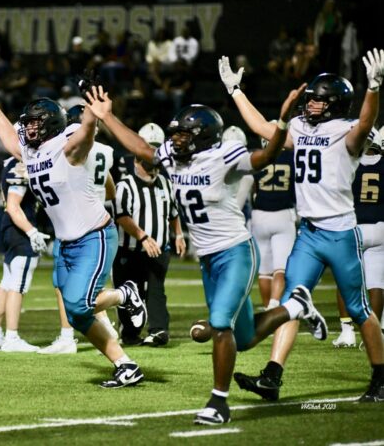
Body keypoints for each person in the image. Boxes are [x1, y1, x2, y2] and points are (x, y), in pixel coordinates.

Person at [85, 73, 325, 424]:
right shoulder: (173, 156)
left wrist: (284, 121)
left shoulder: (225, 155)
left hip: (235, 253)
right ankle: (296, 306)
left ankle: (218, 403)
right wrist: (107, 117)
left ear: (203, 137)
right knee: (242, 338)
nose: (176, 139)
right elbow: (142, 149)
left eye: (184, 134)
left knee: (219, 324)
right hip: (209, 260)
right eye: (176, 133)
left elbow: (268, 154)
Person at [218, 49, 384, 403]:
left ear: (336, 104)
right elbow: (263, 127)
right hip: (308, 233)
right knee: (294, 302)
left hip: (340, 232)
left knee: (359, 309)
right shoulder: (299, 128)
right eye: (310, 100)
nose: (310, 106)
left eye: (319, 102)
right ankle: (272, 376)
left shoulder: (348, 132)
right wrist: (236, 92)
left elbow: (367, 123)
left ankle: (381, 378)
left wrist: (373, 88)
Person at [0, 76, 148, 389]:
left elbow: (83, 138)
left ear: (52, 123)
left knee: (79, 304)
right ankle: (126, 365)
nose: (28, 129)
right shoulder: (32, 150)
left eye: (35, 123)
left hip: (94, 237)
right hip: (66, 244)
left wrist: (93, 117)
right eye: (27, 123)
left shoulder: (65, 145)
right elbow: (10, 141)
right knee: (77, 313)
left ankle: (126, 294)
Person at [38, 104, 118, 355]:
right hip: (94, 215)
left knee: (69, 288)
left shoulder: (68, 147)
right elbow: (111, 191)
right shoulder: (104, 149)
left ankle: (69, 336)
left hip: (77, 223)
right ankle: (105, 326)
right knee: (84, 287)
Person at [113, 122, 186, 347]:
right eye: (147, 162)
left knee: (156, 291)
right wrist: (143, 237)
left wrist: (179, 235)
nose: (153, 167)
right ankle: (130, 333)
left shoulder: (165, 182)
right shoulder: (124, 185)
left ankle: (158, 331)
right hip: (131, 249)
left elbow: (174, 212)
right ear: (136, 158)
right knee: (129, 293)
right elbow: (122, 216)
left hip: (159, 249)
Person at [0, 157, 46, 352]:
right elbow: (13, 205)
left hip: (10, 227)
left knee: (7, 282)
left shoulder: (10, 163)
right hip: (19, 228)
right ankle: (12, 337)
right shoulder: (21, 163)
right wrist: (31, 231)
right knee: (18, 285)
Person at [333, 127, 384, 347]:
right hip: (380, 227)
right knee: (376, 283)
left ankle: (347, 332)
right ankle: (373, 333)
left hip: (353, 226)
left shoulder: (347, 163)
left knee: (345, 282)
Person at [248, 123, 296, 310]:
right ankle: (275, 305)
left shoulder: (258, 157)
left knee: (264, 270)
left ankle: (268, 306)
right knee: (281, 268)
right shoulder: (291, 157)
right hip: (283, 215)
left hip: (259, 215)